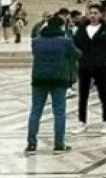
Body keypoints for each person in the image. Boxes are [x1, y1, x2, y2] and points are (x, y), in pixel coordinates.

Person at [26, 16, 80, 154]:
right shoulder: (65, 42)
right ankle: (59, 143)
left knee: (35, 111)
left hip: (39, 79)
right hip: (58, 79)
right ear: (61, 27)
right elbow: (77, 54)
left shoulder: (36, 41)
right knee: (59, 112)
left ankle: (31, 143)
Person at [72, 4, 106, 135]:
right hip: (85, 65)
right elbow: (75, 44)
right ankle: (82, 121)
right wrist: (78, 58)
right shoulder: (82, 29)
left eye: (96, 13)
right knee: (83, 95)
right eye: (91, 13)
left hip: (100, 66)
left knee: (103, 94)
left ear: (101, 15)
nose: (93, 15)